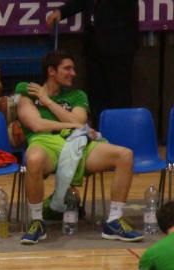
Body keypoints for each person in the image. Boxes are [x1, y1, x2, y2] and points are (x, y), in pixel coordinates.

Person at [16, 50, 142, 245]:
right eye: (67, 68)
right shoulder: (28, 91)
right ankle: (37, 222)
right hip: (44, 142)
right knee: (33, 159)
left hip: (77, 141)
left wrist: (48, 102)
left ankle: (114, 221)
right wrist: (72, 123)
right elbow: (36, 125)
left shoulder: (78, 95)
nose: (73, 73)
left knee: (125, 155)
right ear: (51, 71)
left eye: (73, 69)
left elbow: (80, 121)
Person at [46, 1, 138, 126]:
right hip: (93, 46)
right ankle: (98, 130)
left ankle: (120, 131)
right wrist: (62, 12)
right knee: (96, 96)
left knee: (119, 95)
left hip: (119, 46)